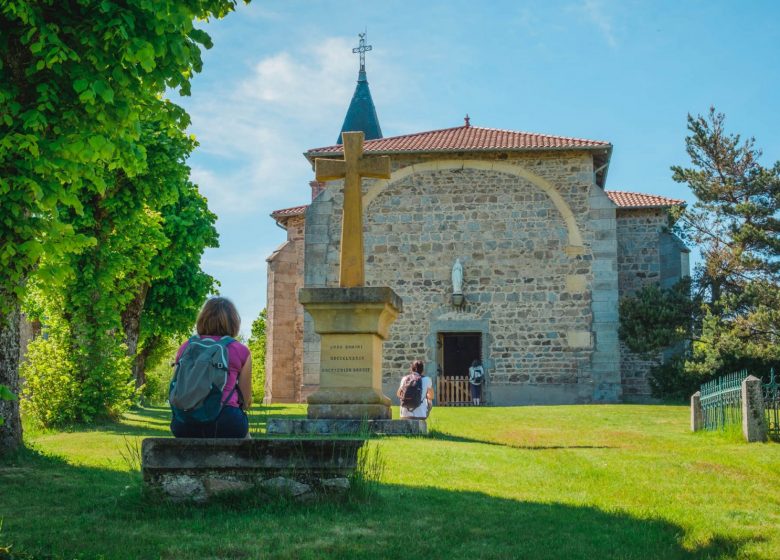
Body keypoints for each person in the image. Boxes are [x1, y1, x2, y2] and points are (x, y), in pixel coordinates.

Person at [170, 297, 252, 438]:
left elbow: (176, 385)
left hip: (184, 422)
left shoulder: (186, 347)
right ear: (234, 322)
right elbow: (246, 401)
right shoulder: (241, 350)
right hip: (226, 421)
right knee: (246, 437)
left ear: (202, 319)